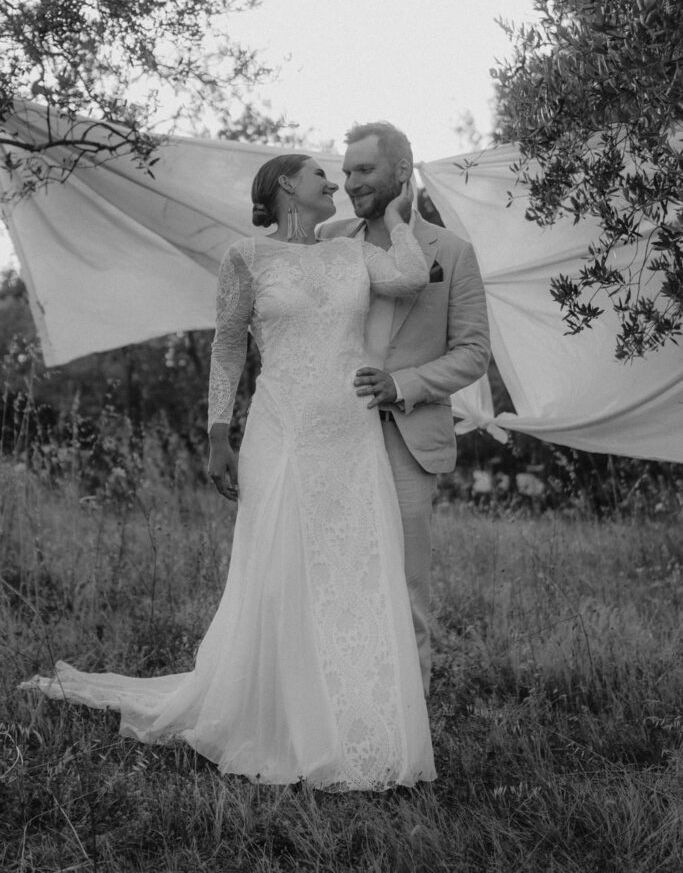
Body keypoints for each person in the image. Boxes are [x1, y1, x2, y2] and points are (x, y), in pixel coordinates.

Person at [20, 152, 436, 791]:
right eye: (319, 176)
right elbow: (229, 346)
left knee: (351, 572)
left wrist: (400, 213)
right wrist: (219, 433)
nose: (334, 182)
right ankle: (285, 721)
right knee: (282, 572)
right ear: (283, 189)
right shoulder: (247, 257)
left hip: (350, 438)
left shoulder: (352, 252)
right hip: (282, 431)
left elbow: (409, 277)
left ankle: (358, 717)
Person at [319, 122, 490, 695]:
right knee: (336, 573)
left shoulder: (454, 253)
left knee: (407, 585)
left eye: (363, 170)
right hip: (332, 432)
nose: (350, 182)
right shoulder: (328, 240)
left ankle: (409, 727)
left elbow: (473, 353)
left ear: (400, 172)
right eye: (345, 172)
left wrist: (403, 382)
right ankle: (341, 703)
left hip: (409, 438)